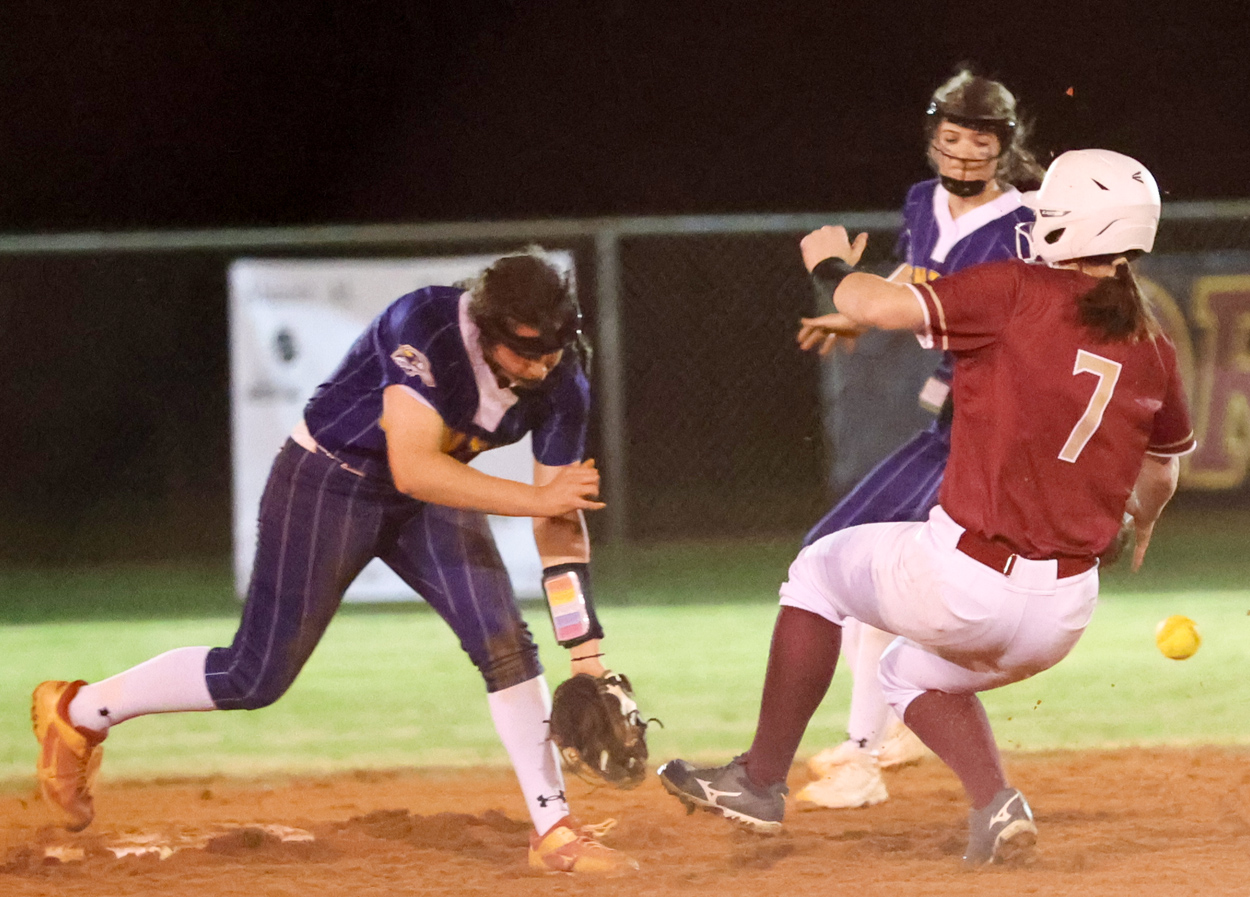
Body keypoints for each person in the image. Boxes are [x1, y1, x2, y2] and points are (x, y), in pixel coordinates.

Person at [659, 149, 1194, 866]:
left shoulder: (1016, 289)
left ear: (1065, 221)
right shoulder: (1152, 344)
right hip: (1064, 614)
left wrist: (828, 267)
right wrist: (1142, 520)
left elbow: (874, 305)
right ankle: (996, 804)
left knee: (816, 571)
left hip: (968, 580)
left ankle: (758, 782)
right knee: (907, 673)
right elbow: (1161, 471)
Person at [31, 249, 638, 875]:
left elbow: (558, 516)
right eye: (524, 352)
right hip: (329, 482)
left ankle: (554, 830)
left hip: (430, 496)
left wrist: (585, 653)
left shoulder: (564, 377)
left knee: (507, 642)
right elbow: (414, 466)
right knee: (253, 677)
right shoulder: (426, 324)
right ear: (485, 331)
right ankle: (78, 712)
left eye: (551, 351)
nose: (540, 367)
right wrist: (539, 499)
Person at [793, 68, 1047, 811]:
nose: (964, 150)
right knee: (862, 561)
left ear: (1005, 146)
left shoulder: (1022, 227)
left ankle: (866, 750)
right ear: (933, 135)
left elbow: (948, 308)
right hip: (954, 420)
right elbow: (916, 272)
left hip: (994, 427)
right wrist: (859, 315)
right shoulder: (921, 200)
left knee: (849, 560)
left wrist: (857, 294)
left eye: (981, 138)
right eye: (953, 134)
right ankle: (890, 728)